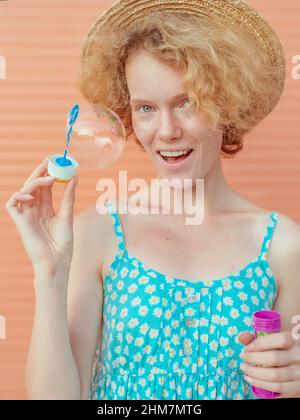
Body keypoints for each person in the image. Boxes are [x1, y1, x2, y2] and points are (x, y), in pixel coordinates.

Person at [5, 0, 300, 400]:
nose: (166, 131)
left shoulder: (283, 244)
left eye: (187, 102)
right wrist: (49, 272)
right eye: (146, 108)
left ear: (227, 105)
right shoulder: (96, 233)